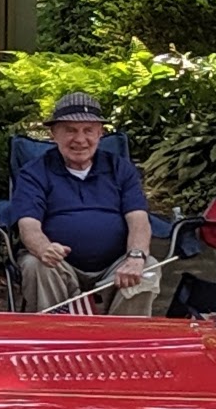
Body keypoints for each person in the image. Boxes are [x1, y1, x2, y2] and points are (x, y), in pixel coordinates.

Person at [12, 91, 158, 314]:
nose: (80, 139)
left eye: (88, 130)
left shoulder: (120, 168)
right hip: (60, 264)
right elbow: (28, 224)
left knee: (147, 268)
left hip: (115, 266)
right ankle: (56, 339)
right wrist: (44, 249)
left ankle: (121, 342)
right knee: (36, 265)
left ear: (100, 133)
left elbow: (138, 219)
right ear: (54, 134)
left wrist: (136, 256)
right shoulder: (34, 172)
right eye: (70, 130)